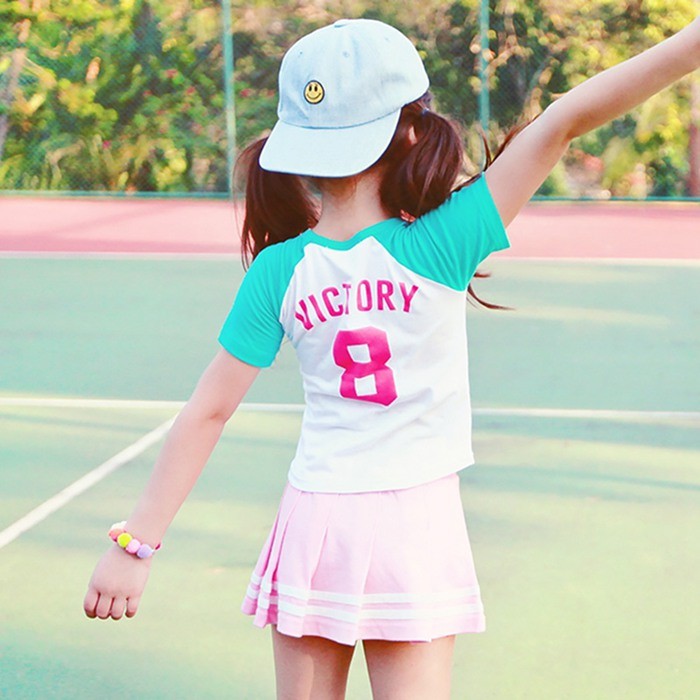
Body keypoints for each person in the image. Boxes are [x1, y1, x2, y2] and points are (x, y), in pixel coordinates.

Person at [84, 17, 700, 700]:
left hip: (317, 522)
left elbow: (209, 410)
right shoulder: (443, 241)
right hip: (415, 523)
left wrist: (135, 544)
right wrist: (689, 44)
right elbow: (562, 121)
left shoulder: (279, 271)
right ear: (411, 131)